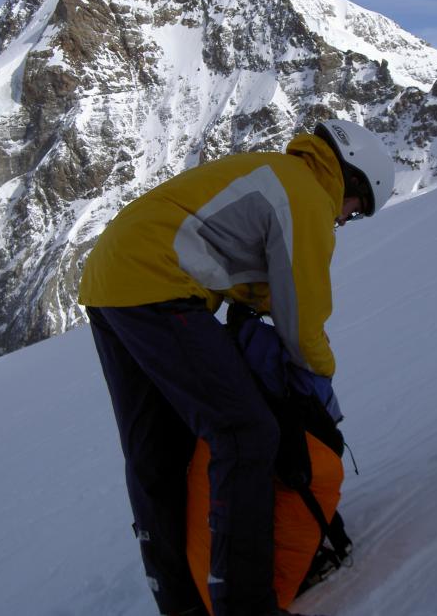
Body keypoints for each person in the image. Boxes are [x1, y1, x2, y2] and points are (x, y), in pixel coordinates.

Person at [79, 119, 395, 616]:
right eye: (356, 210)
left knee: (157, 451)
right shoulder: (309, 195)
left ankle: (182, 601)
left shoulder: (274, 173)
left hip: (108, 282)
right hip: (158, 281)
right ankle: (244, 604)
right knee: (245, 434)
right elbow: (303, 316)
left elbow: (251, 282)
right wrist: (319, 378)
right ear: (351, 180)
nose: (345, 219)